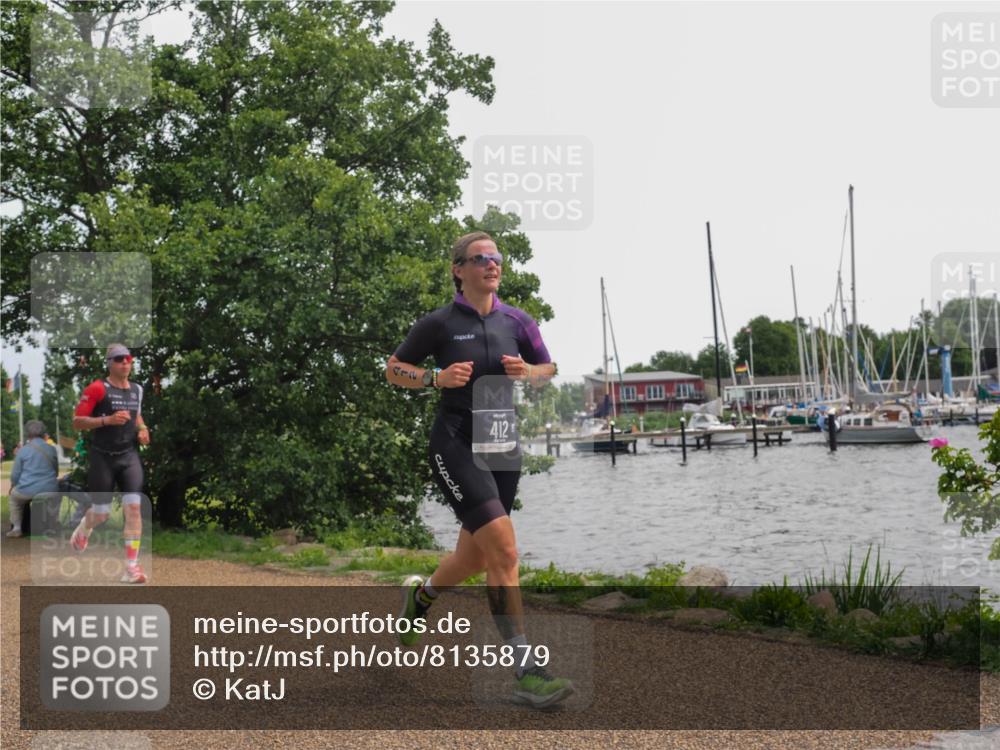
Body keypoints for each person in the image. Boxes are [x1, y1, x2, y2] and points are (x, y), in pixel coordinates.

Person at [386, 231, 572, 709]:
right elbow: (393, 368)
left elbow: (548, 367)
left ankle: (421, 599)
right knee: (505, 552)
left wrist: (527, 373)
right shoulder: (439, 323)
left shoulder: (518, 321)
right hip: (455, 440)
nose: (492, 265)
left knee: (474, 559)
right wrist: (434, 378)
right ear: (458, 269)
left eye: (496, 259)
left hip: (501, 441)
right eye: (480, 258)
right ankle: (526, 671)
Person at [70, 344, 150, 584]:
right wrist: (107, 420)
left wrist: (143, 429)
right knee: (102, 515)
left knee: (134, 509)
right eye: (119, 359)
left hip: (128, 456)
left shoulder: (137, 389)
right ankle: (86, 525)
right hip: (102, 457)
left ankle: (131, 568)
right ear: (109, 363)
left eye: (128, 358)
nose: (125, 362)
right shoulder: (97, 388)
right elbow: (77, 422)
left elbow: (137, 415)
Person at [7, 420, 58, 537]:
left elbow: (15, 475)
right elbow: (56, 472)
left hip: (26, 491)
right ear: (43, 433)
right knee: (53, 496)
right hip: (49, 489)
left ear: (28, 434)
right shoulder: (52, 449)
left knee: (14, 499)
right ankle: (52, 525)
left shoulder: (23, 450)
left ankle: (17, 528)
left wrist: (13, 485)